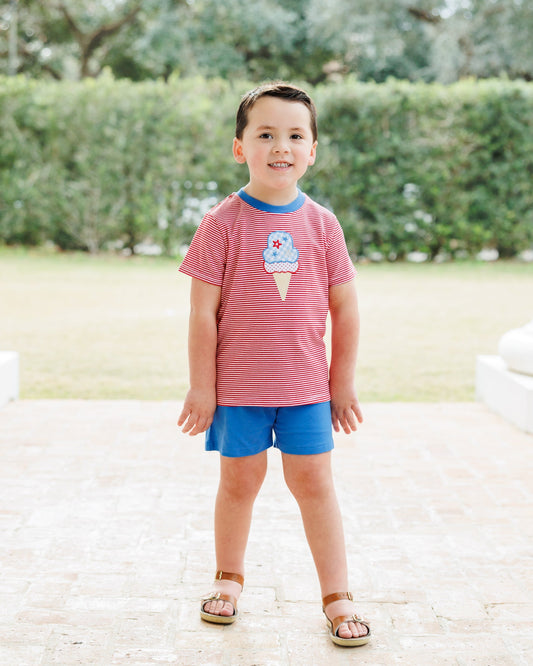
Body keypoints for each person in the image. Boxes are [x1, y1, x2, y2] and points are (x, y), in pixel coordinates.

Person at [177, 82, 371, 648]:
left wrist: (341, 383)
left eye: (294, 135)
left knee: (315, 485)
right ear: (240, 147)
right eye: (265, 134)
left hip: (306, 389)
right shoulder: (222, 223)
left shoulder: (323, 225)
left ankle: (337, 596)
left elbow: (345, 308)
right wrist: (202, 387)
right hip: (238, 390)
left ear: (312, 150)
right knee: (239, 482)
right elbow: (202, 312)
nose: (280, 146)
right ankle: (227, 580)